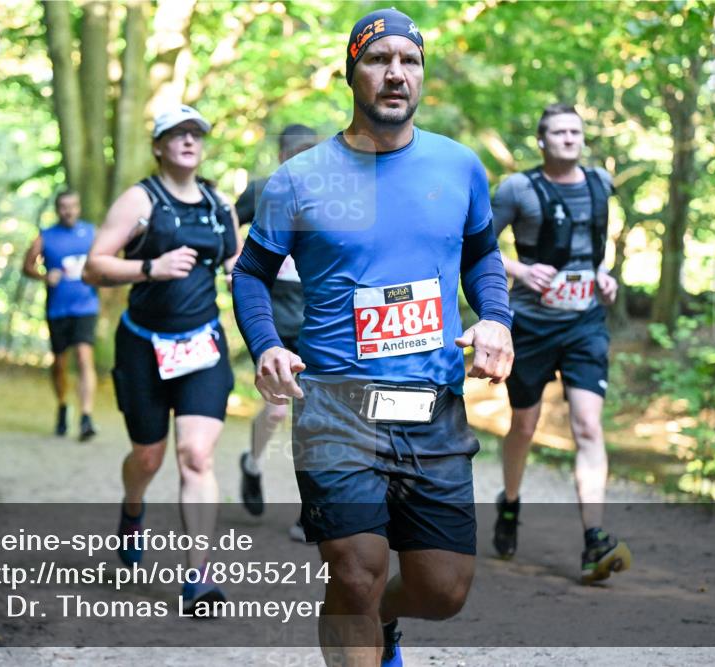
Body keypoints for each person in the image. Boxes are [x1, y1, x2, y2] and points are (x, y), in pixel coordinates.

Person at [232, 9, 513, 666]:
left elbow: (482, 256)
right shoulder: (300, 178)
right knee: (354, 570)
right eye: (378, 59)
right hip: (336, 402)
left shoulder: (460, 166)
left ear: (422, 74)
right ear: (350, 72)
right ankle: (358, 613)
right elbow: (251, 275)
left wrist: (495, 315)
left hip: (431, 402)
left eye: (408, 60)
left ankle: (381, 619)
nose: (395, 73)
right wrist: (267, 344)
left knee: (442, 589)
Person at [83, 105, 241, 613]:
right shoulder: (139, 200)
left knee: (195, 455)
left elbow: (236, 262)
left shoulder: (219, 204)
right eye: (178, 133)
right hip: (143, 346)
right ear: (158, 145)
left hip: (201, 345)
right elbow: (94, 267)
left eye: (197, 133)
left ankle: (199, 579)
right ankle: (133, 509)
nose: (190, 140)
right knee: (148, 457)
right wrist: (152, 266)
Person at [490, 103, 632, 585]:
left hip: (585, 321)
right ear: (541, 140)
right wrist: (521, 270)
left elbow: (590, 248)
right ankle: (509, 504)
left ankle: (595, 539)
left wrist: (602, 276)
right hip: (530, 325)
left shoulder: (599, 184)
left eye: (575, 131)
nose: (569, 139)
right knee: (524, 426)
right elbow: (476, 242)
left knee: (589, 425)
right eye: (558, 132)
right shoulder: (518, 189)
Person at [235, 123, 318, 543]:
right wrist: (235, 258)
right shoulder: (262, 190)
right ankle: (251, 462)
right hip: (272, 318)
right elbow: (228, 227)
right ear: (284, 155)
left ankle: (310, 513)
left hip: (315, 320)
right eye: (299, 152)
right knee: (277, 411)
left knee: (313, 418)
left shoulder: (330, 194)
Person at [23, 190, 100, 441]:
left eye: (73, 206)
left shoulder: (91, 233)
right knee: (60, 364)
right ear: (57, 209)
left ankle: (86, 416)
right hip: (57, 309)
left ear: (79, 208)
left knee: (84, 356)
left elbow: (108, 261)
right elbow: (27, 266)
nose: (69, 211)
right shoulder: (46, 237)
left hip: (86, 306)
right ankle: (63, 404)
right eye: (64, 207)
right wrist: (45, 276)